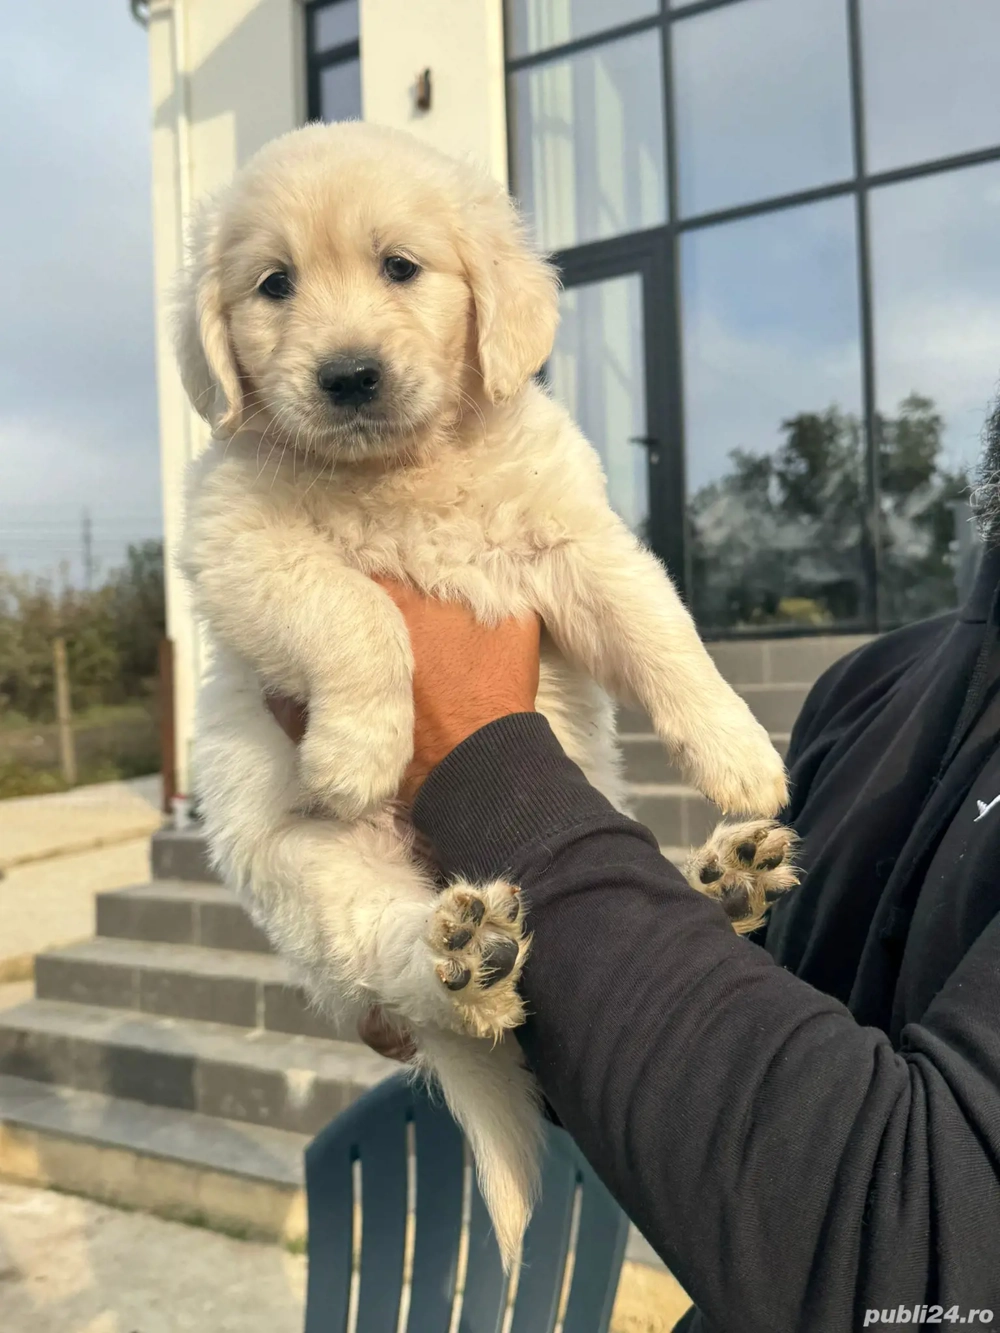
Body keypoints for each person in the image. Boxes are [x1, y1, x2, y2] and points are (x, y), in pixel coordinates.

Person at [268, 400, 1000, 1332]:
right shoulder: (870, 684)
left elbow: (921, 1270)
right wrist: (538, 977)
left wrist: (487, 770)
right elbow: (731, 1076)